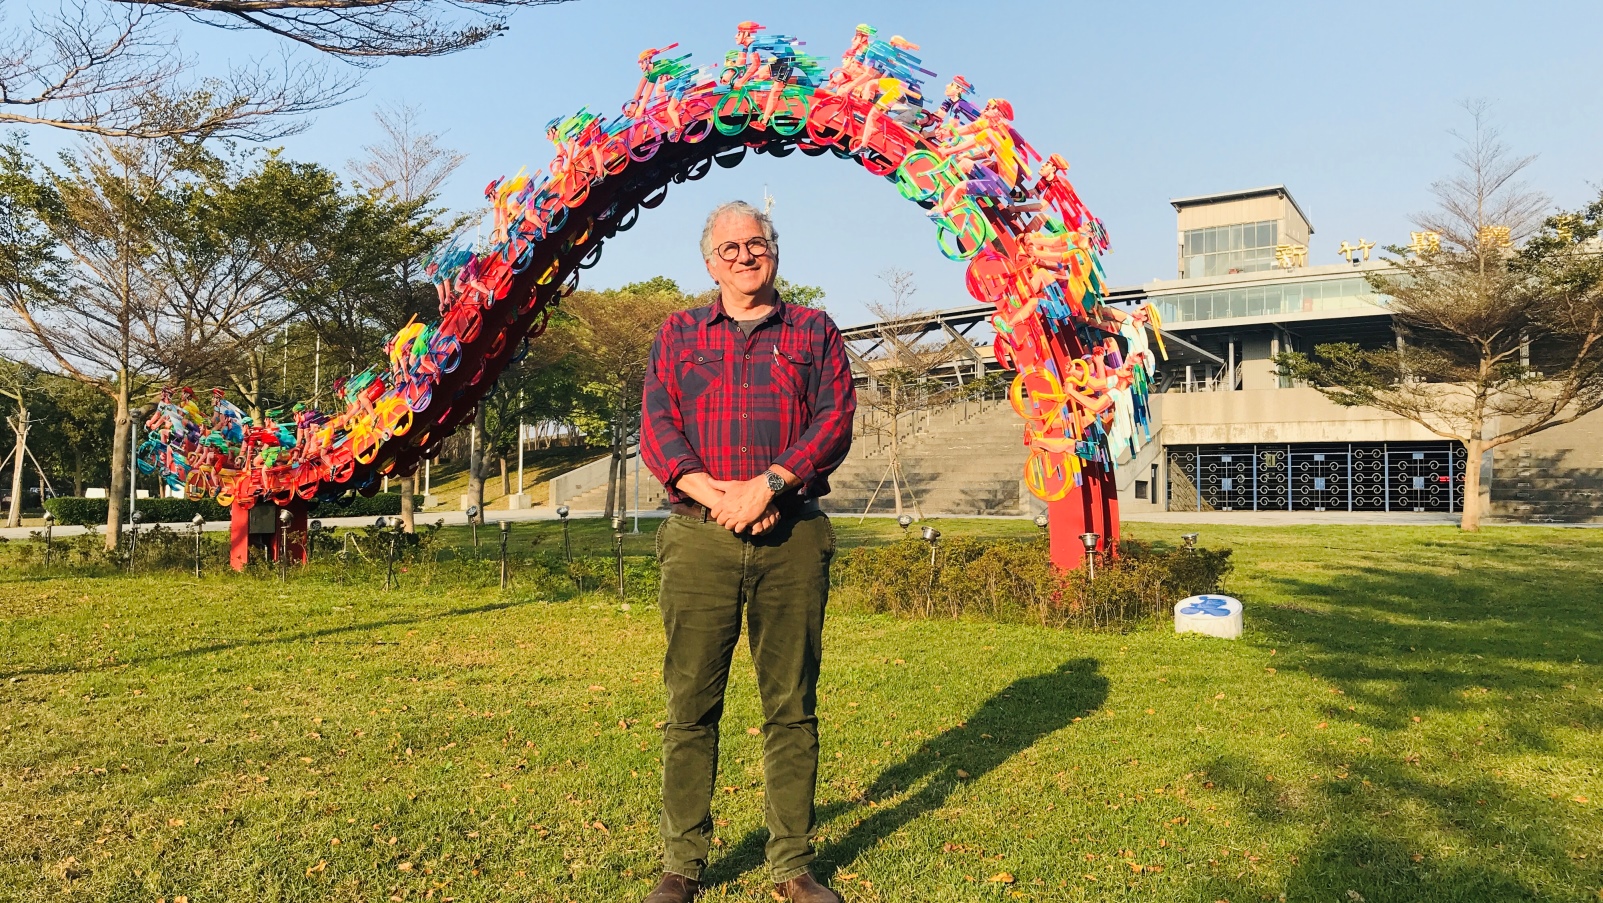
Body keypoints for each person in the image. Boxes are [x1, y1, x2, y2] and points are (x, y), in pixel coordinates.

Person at [639, 201, 856, 903]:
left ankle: (791, 865)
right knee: (690, 705)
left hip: (790, 537)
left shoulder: (814, 331)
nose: (743, 255)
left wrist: (767, 487)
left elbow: (834, 419)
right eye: (728, 247)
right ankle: (682, 865)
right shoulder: (676, 333)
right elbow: (658, 423)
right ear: (709, 263)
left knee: (790, 705)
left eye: (755, 243)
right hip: (698, 539)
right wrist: (719, 496)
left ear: (774, 254)